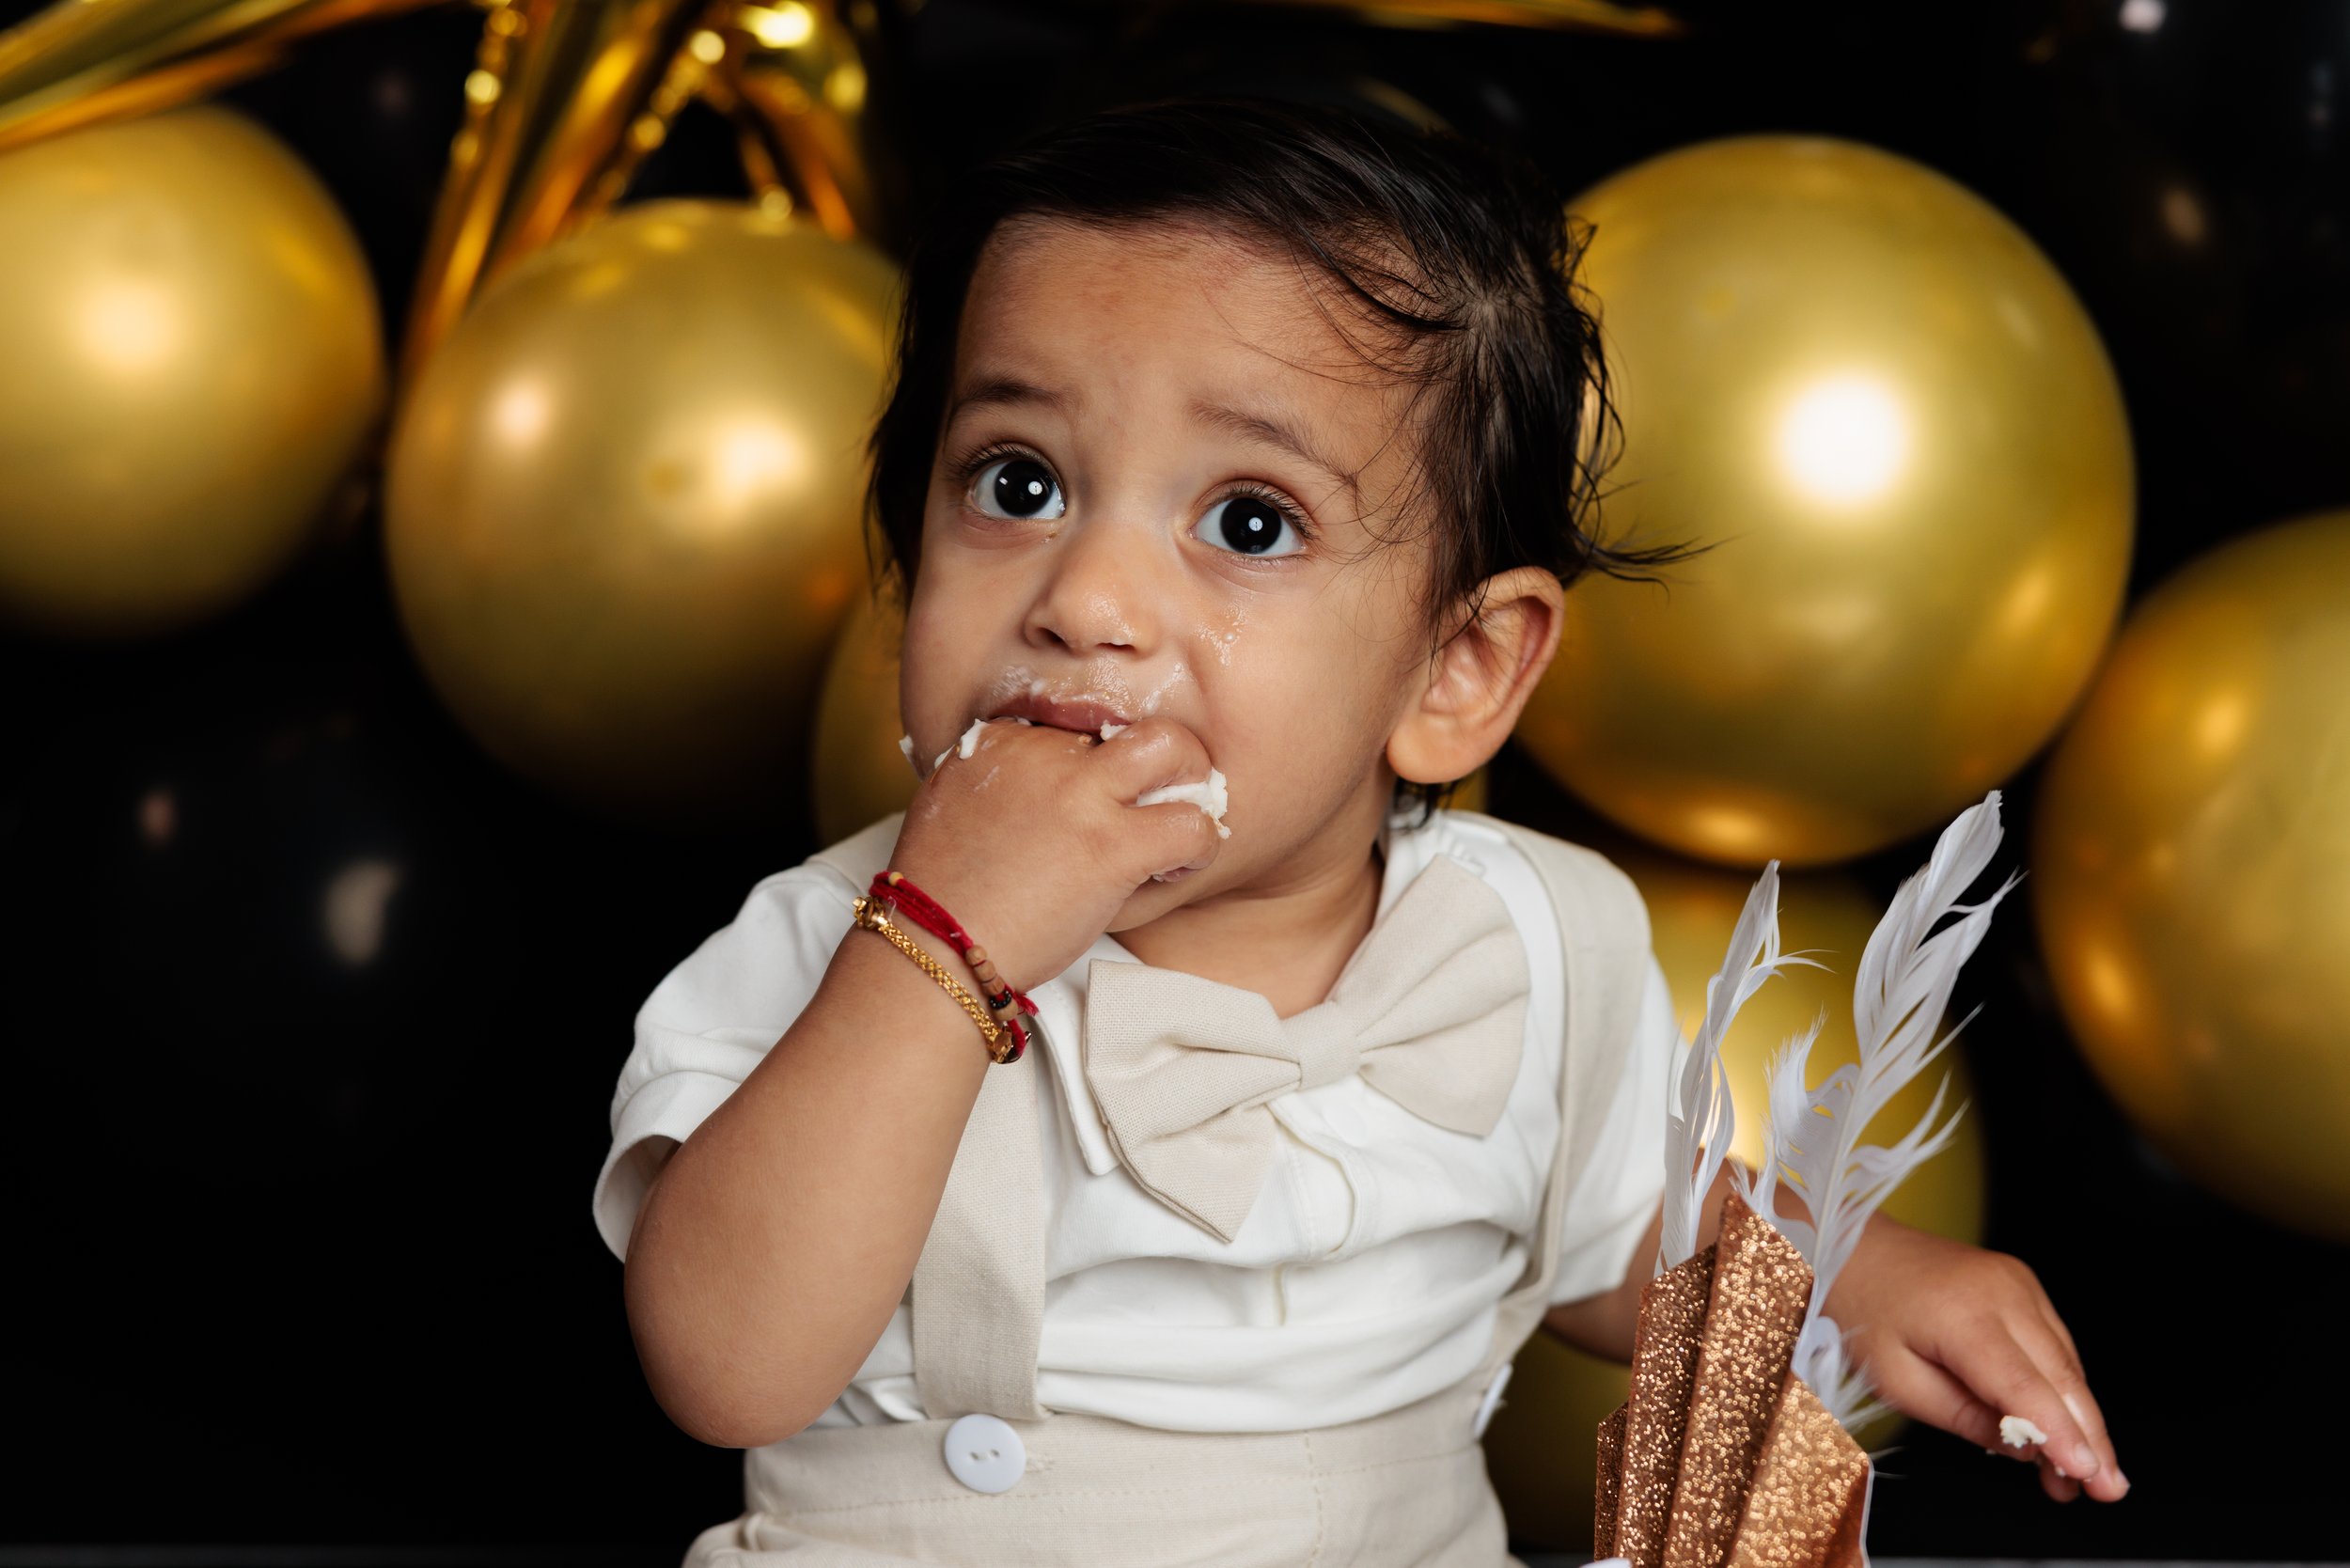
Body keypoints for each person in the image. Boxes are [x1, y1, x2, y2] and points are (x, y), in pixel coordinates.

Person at [591, 95, 2126, 1565]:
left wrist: (1852, 1276)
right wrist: (938, 947)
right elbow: (728, 1366)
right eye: (1020, 482)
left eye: (1246, 522)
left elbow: (1620, 1235)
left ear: (1457, 674)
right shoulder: (830, 942)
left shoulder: (1530, 939)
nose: (1086, 599)